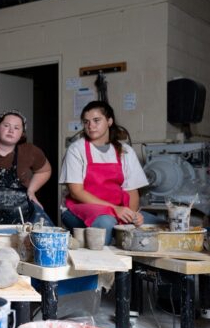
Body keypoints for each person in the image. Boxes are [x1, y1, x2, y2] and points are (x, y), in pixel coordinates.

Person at [60, 100, 161, 245]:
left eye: (96, 120)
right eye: (86, 122)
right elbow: (77, 192)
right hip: (79, 208)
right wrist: (115, 209)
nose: (91, 126)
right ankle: (101, 266)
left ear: (109, 121)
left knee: (161, 224)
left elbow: (132, 190)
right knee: (106, 222)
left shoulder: (125, 151)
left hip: (117, 209)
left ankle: (131, 267)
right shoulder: (76, 150)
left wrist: (132, 216)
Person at [0, 110, 54, 226]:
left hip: (21, 212)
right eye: (6, 125)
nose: (11, 131)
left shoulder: (30, 151)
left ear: (22, 133)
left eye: (17, 128)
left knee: (44, 236)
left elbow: (45, 170)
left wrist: (31, 190)